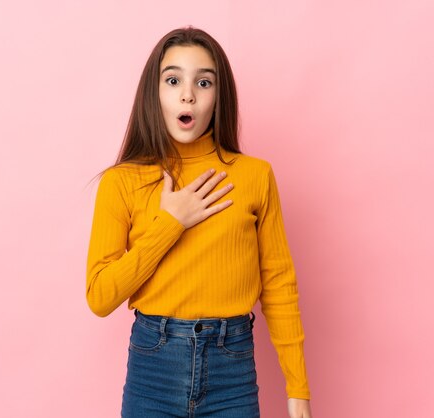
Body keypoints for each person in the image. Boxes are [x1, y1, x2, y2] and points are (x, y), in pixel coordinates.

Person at [86, 26, 313, 418]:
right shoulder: (122, 181)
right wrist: (170, 223)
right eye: (173, 80)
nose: (187, 93)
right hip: (153, 368)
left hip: (233, 371)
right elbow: (100, 296)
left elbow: (278, 284)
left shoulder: (254, 176)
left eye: (203, 82)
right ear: (153, 94)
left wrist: (298, 390)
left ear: (218, 96)